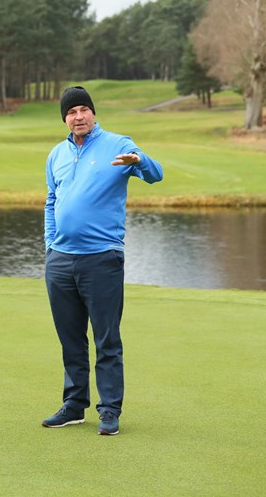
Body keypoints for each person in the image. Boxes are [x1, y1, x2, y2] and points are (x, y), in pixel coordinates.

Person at [41, 86, 163, 436]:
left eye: (83, 109)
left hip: (102, 259)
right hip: (61, 261)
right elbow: (52, 200)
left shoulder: (119, 144)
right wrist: (50, 245)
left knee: (106, 339)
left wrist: (140, 162)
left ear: (93, 112)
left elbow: (156, 174)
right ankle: (74, 405)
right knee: (70, 338)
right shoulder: (56, 155)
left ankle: (109, 410)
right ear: (64, 118)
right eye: (71, 112)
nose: (78, 116)